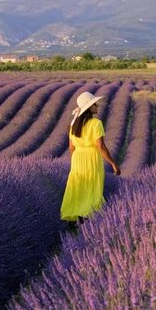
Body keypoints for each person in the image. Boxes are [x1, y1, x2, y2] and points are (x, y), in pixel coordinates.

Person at [61, 92, 121, 224]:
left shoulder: (73, 125)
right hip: (91, 159)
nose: (97, 105)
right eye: (94, 104)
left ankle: (77, 220)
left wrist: (76, 161)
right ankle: (89, 219)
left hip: (77, 158)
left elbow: (71, 148)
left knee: (79, 187)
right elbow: (101, 147)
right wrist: (113, 164)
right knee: (92, 188)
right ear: (89, 107)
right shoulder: (96, 123)